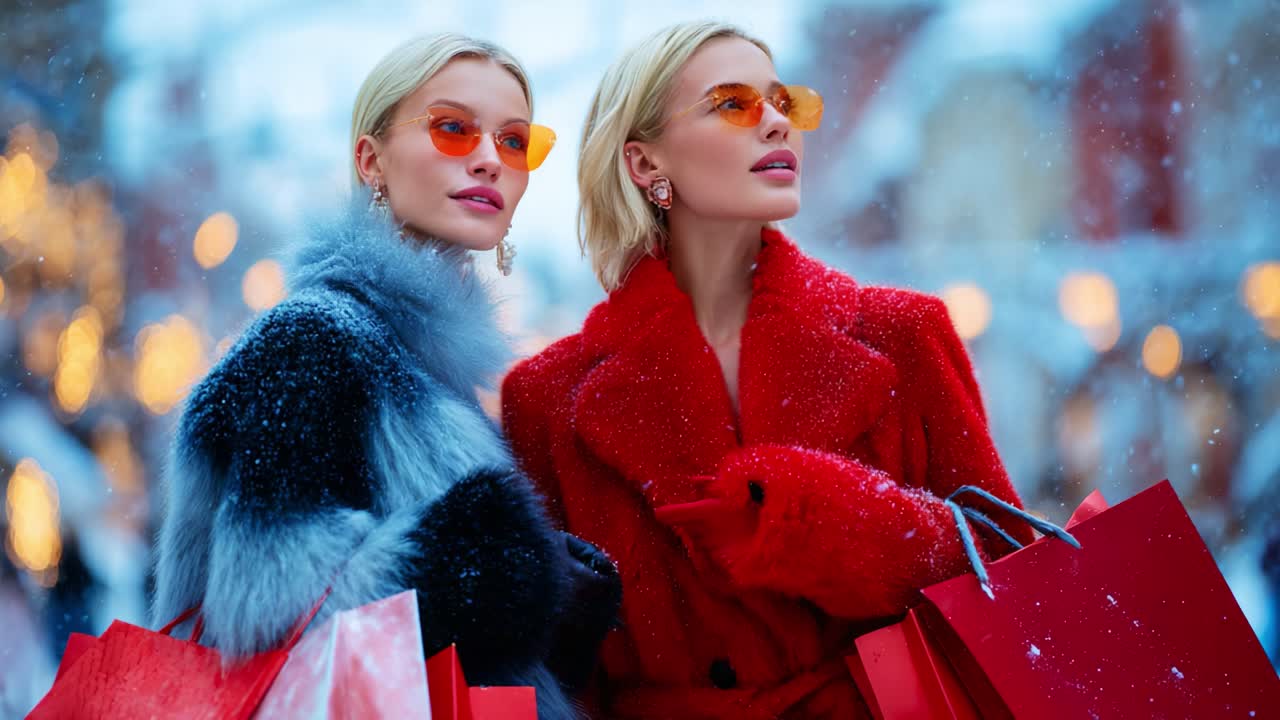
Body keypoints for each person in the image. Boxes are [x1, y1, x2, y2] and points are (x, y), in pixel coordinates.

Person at [502, 21, 1030, 718]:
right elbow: (552, 678)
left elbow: (1010, 582)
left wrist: (821, 520)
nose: (778, 122)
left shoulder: (905, 335)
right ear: (645, 164)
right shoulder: (547, 399)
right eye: (735, 104)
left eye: (785, 102)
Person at [153, 33, 619, 718]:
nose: (492, 159)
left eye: (516, 142)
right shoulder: (309, 341)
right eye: (454, 129)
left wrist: (558, 614)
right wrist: (492, 562)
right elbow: (263, 613)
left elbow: (463, 659)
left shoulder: (428, 369)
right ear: (371, 161)